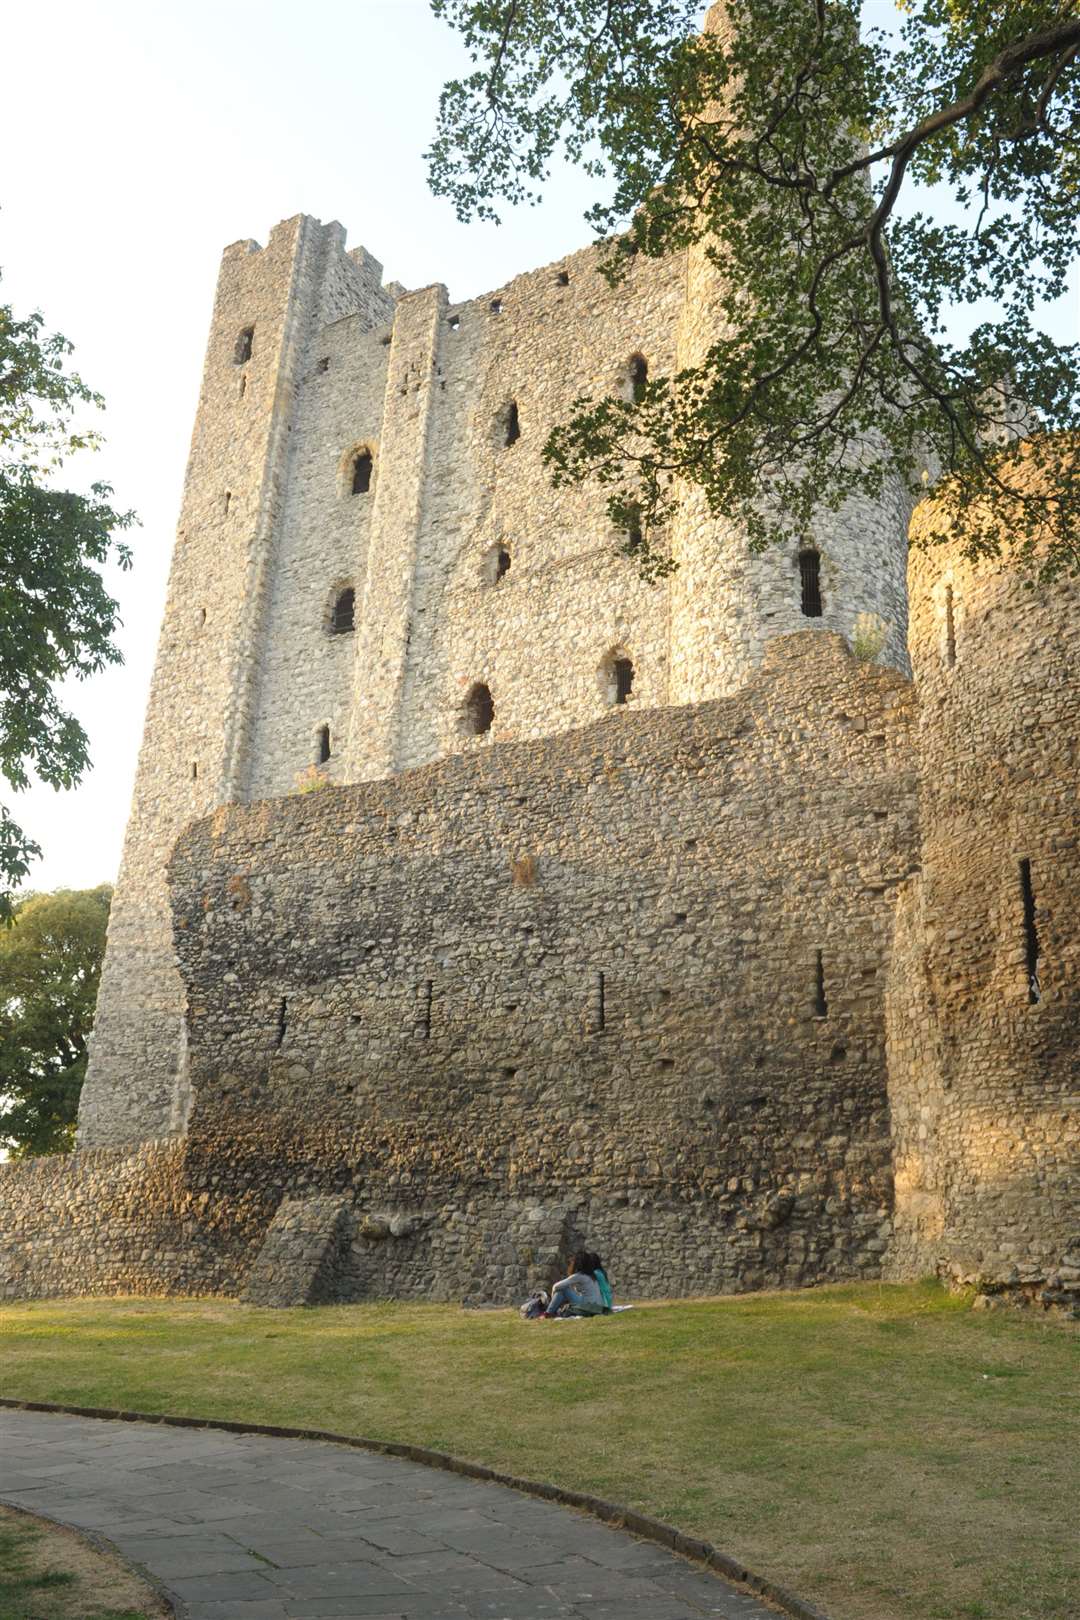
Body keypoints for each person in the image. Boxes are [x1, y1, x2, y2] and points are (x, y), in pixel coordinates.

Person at [543, 1251, 605, 1318]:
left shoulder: (579, 1276)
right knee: (563, 1291)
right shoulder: (592, 1275)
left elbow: (555, 1286)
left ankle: (548, 1313)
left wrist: (553, 1297)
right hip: (599, 1307)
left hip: (588, 1307)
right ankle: (550, 1311)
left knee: (562, 1289)